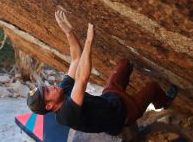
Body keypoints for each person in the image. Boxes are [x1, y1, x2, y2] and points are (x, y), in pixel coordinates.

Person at [27, 10, 178, 136]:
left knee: (124, 64)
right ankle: (163, 102)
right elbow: (82, 78)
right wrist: (89, 41)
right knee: (152, 88)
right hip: (122, 115)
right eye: (47, 91)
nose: (51, 86)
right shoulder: (66, 115)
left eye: (46, 86)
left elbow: (76, 58)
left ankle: (136, 89)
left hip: (110, 98)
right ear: (49, 106)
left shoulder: (62, 90)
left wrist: (69, 32)